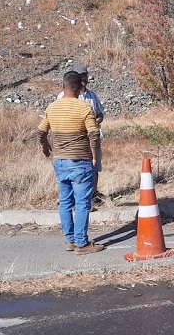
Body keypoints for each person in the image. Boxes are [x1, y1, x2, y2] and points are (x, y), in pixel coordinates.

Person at [39, 71, 104, 254]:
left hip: (59, 161)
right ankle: (82, 244)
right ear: (81, 87)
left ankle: (69, 240)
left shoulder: (52, 107)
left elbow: (41, 131)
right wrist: (94, 156)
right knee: (83, 203)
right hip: (80, 162)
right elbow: (93, 134)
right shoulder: (84, 109)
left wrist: (46, 147)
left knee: (65, 202)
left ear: (63, 87)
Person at [57, 65, 105, 204]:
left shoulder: (92, 95)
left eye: (85, 75)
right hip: (74, 139)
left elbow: (100, 114)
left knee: (94, 166)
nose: (83, 78)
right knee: (74, 168)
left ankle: (93, 194)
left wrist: (95, 120)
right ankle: (73, 198)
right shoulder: (62, 96)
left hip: (92, 137)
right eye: (80, 75)